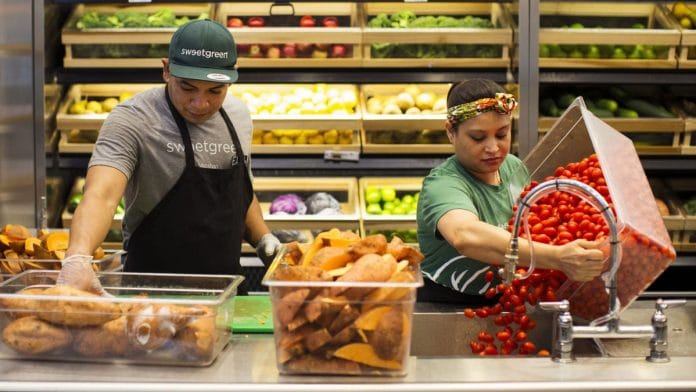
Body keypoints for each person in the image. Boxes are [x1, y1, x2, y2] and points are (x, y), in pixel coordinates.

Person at [58, 19, 281, 295]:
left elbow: (236, 192)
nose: (201, 103)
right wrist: (78, 256)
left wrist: (263, 239)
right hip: (147, 295)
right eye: (187, 88)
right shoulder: (132, 119)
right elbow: (100, 195)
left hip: (225, 296)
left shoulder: (238, 115)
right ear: (166, 70)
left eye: (215, 91)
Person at [416, 78, 605, 304]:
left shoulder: (513, 167)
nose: (493, 148)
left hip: (506, 304)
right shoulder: (442, 184)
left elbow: (529, 228)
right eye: (478, 137)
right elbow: (464, 235)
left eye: (502, 134)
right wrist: (557, 257)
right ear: (450, 132)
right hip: (448, 308)